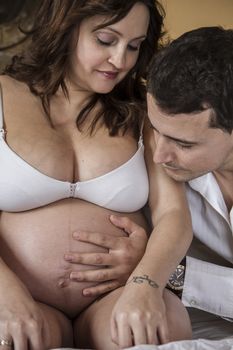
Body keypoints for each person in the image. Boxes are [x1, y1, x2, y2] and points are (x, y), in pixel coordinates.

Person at [0, 1, 193, 349]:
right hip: (18, 299)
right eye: (106, 40)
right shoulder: (2, 95)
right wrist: (5, 294)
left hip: (114, 301)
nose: (121, 61)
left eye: (134, 46)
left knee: (163, 325)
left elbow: (174, 215)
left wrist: (145, 285)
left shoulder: (143, 110)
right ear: (65, 27)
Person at [82, 26, 233, 342]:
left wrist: (167, 272)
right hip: (191, 327)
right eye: (155, 129)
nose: (160, 154)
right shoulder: (155, 158)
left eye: (183, 144)